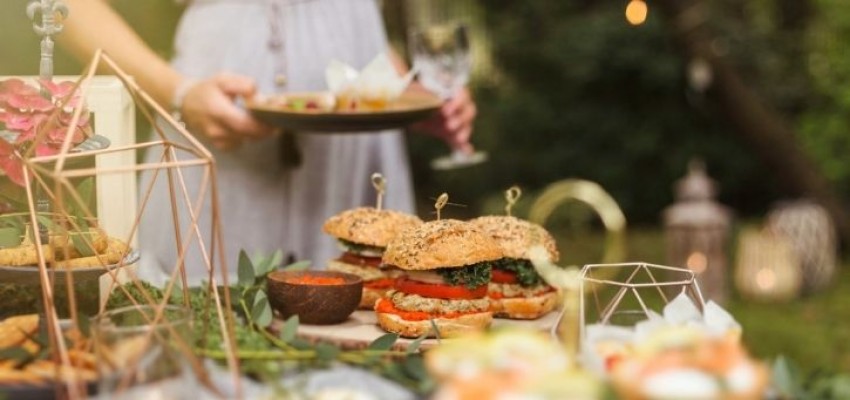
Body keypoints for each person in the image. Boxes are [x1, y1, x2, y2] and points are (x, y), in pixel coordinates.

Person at [59, 0, 477, 284]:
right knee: (208, 334)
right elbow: (66, 7)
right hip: (217, 135)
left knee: (365, 319)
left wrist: (407, 95)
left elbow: (356, 27)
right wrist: (180, 93)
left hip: (354, 156)